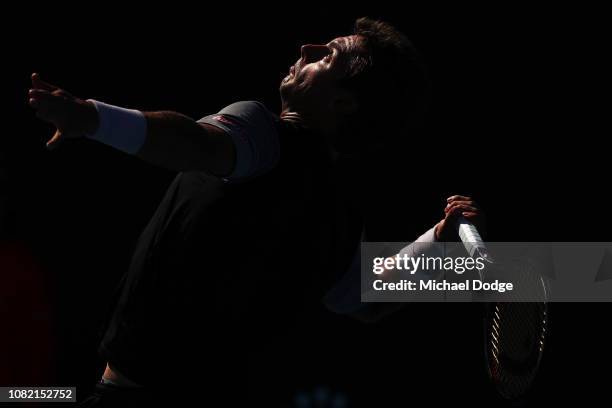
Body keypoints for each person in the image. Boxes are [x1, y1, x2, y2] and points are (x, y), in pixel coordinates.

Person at [28, 17, 483, 406]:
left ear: (343, 102)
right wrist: (436, 242)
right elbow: (367, 301)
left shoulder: (263, 134)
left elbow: (192, 143)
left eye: (328, 56)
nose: (307, 48)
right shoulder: (342, 217)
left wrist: (93, 118)